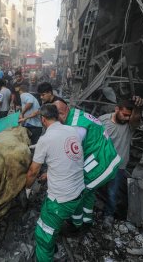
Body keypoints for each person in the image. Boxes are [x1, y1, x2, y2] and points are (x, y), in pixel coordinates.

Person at [25, 104, 84, 262]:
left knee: (43, 234)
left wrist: (27, 188)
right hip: (79, 189)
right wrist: (50, 173)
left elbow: (32, 171)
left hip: (60, 199)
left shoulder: (46, 139)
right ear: (57, 116)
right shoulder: (73, 131)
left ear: (43, 119)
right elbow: (67, 157)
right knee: (73, 213)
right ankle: (75, 227)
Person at [55, 100, 121, 229]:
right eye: (56, 115)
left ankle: (76, 225)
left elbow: (72, 157)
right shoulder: (77, 114)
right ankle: (87, 221)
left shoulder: (75, 128)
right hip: (108, 157)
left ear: (67, 109)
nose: (59, 117)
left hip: (99, 164)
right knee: (89, 192)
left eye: (61, 114)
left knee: (76, 192)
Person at [99, 97, 143, 227]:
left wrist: (138, 107)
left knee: (113, 192)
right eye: (124, 115)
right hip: (102, 164)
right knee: (91, 189)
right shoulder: (102, 121)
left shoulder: (129, 126)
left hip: (118, 166)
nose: (126, 118)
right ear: (117, 109)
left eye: (129, 116)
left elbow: (135, 119)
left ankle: (109, 215)